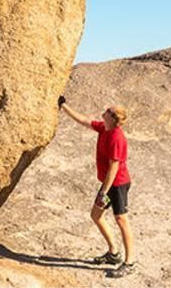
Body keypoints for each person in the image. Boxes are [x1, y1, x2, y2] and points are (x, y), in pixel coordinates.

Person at [58, 95, 137, 279]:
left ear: (113, 117)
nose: (105, 110)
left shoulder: (117, 137)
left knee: (121, 220)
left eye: (108, 111)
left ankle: (130, 262)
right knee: (96, 215)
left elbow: (114, 167)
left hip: (118, 185)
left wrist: (104, 192)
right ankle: (113, 253)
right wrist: (64, 106)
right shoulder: (104, 128)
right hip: (108, 185)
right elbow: (84, 121)